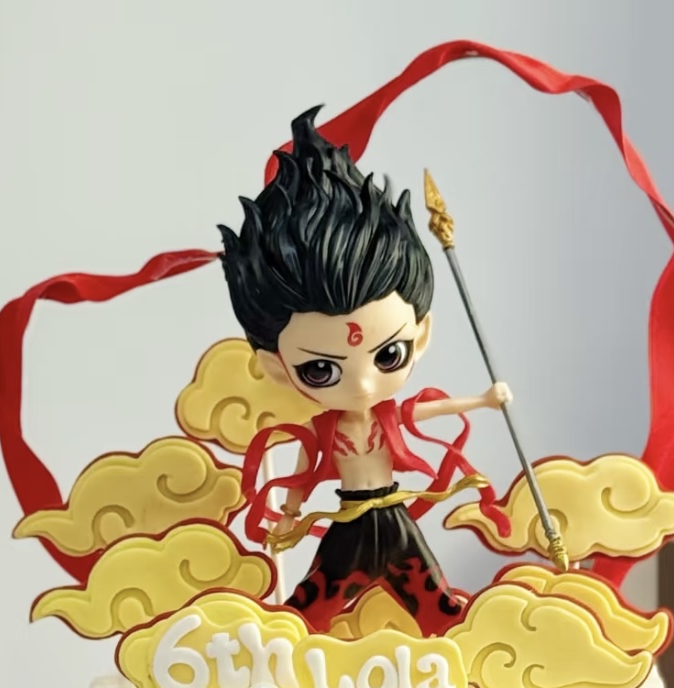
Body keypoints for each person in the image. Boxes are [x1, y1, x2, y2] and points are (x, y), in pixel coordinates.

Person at [219, 110, 512, 635]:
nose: (362, 384)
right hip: (348, 521)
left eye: (388, 355)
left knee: (437, 606)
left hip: (393, 516)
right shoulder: (321, 429)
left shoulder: (390, 415)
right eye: (320, 368)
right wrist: (288, 515)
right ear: (277, 368)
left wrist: (485, 400)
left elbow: (432, 410)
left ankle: (462, 643)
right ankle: (281, 649)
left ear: (421, 335)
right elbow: (303, 472)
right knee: (309, 609)